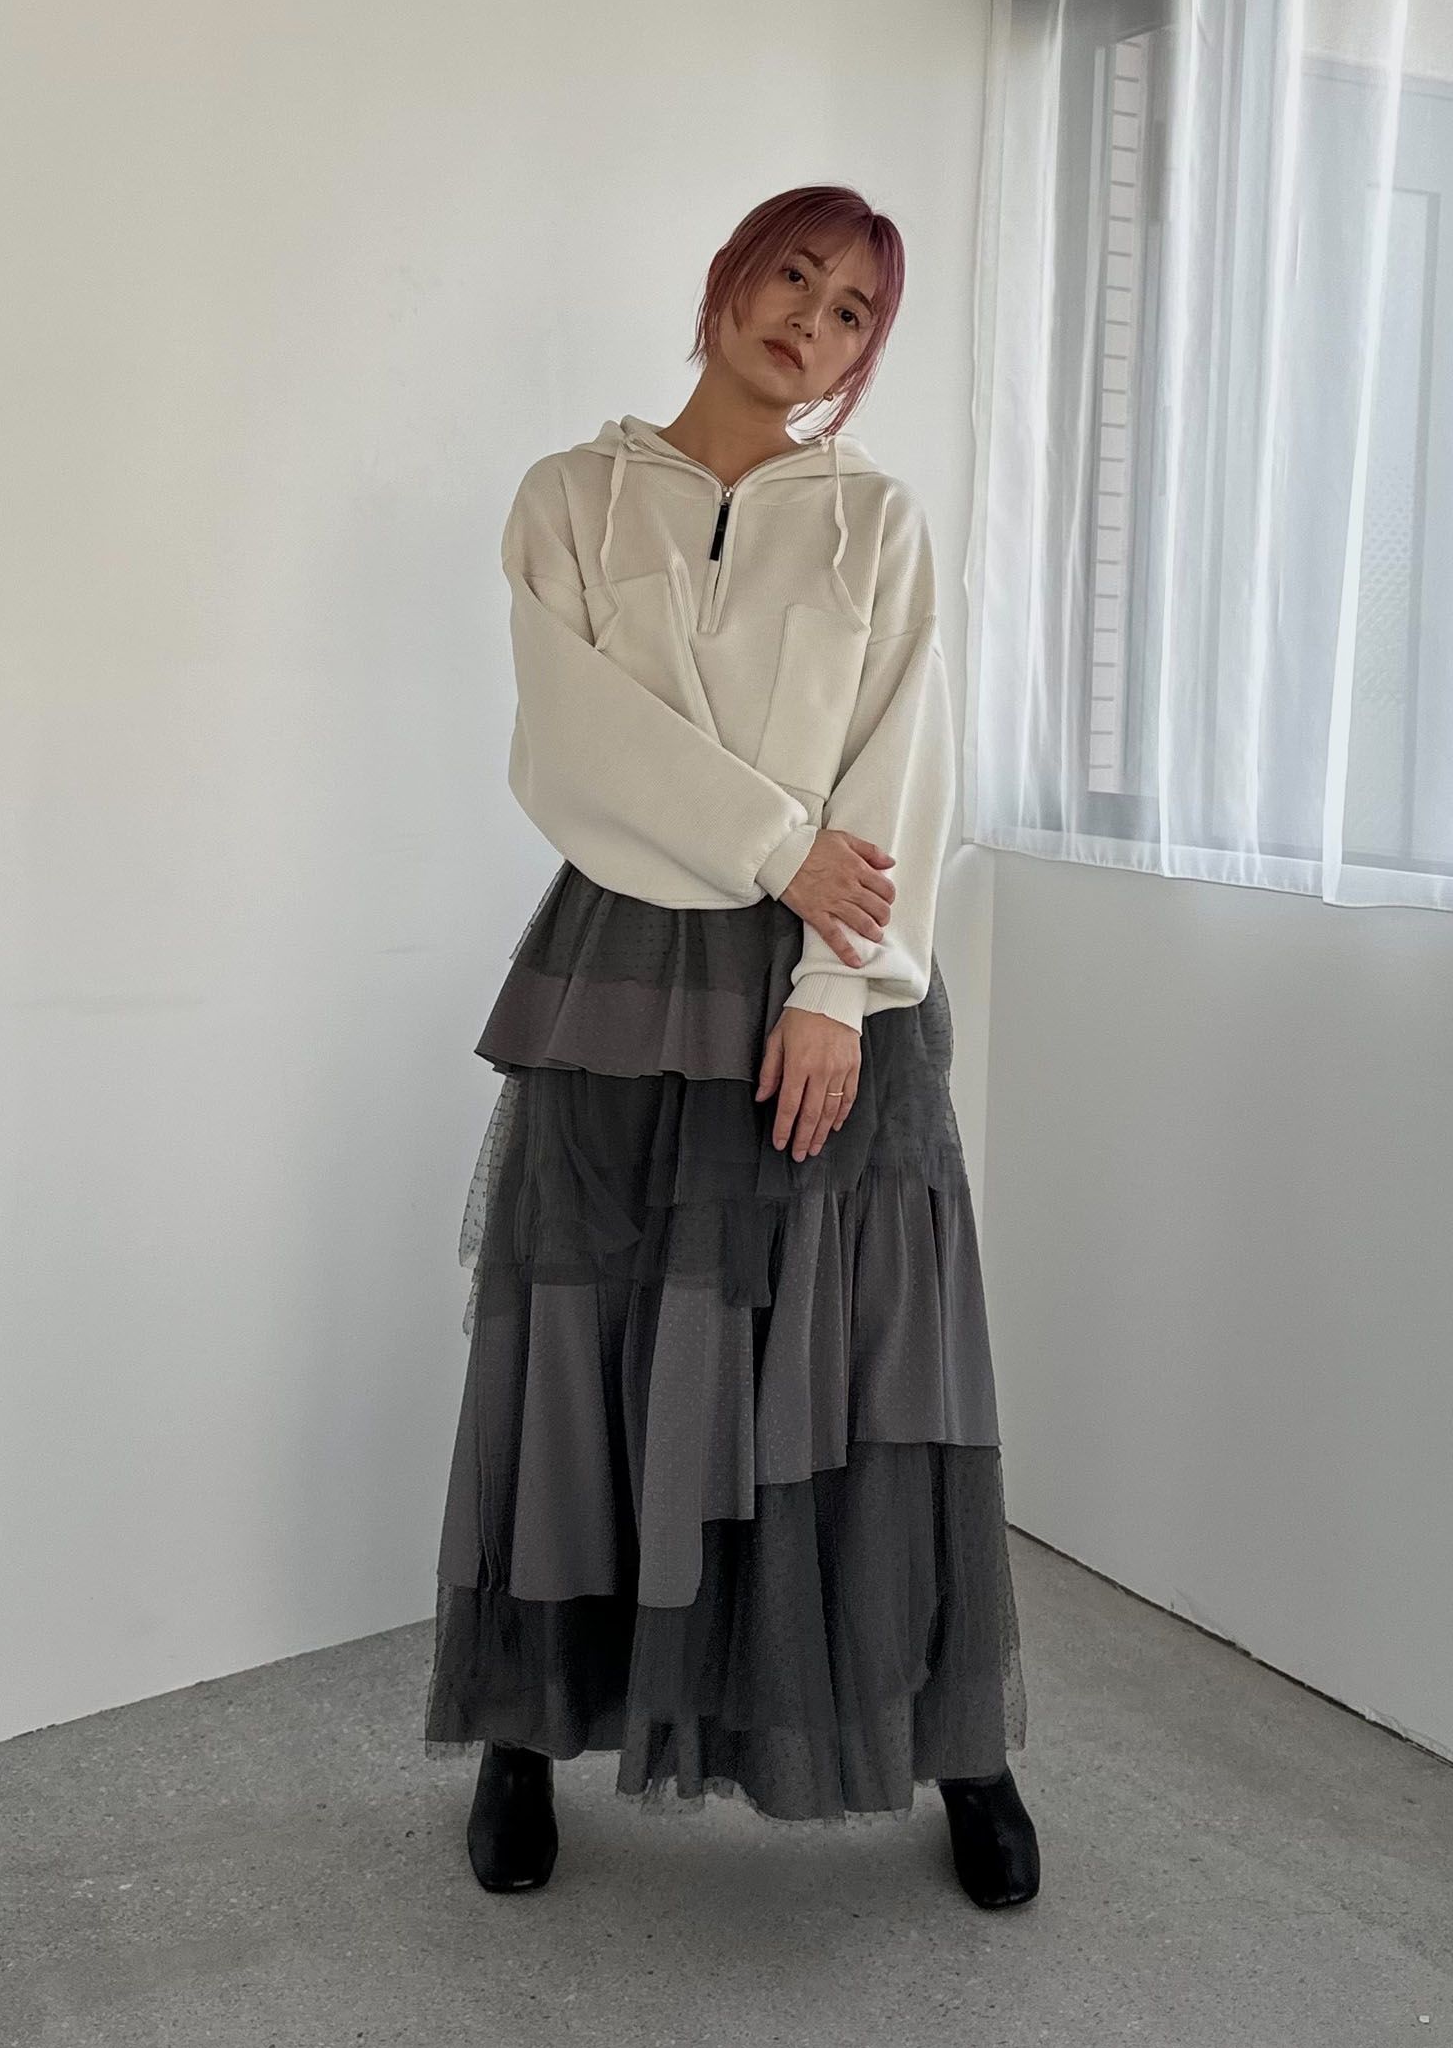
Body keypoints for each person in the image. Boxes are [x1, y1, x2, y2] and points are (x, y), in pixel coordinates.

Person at [423, 183, 1038, 1910]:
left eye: (853, 313)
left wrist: (836, 989)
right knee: (583, 1335)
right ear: (728, 278)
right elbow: (570, 740)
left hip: (832, 976)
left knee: (866, 1353)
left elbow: (905, 758)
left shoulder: (876, 522)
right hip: (626, 966)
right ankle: (529, 1732)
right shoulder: (571, 497)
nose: (811, 324)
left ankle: (955, 1748)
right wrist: (778, 849)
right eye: (795, 276)